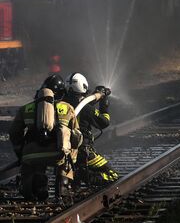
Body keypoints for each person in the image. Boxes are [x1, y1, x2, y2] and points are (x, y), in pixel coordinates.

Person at [9, 74, 81, 203]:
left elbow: (14, 133)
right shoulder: (67, 108)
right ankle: (63, 186)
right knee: (69, 148)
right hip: (58, 154)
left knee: (30, 167)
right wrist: (72, 156)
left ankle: (37, 186)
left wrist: (21, 153)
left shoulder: (26, 109)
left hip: (31, 155)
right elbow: (76, 136)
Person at [64, 72, 118, 186]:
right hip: (82, 151)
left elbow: (82, 103)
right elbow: (104, 122)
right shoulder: (86, 109)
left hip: (65, 151)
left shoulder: (61, 104)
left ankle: (76, 175)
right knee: (112, 175)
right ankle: (85, 176)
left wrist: (96, 95)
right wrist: (104, 105)